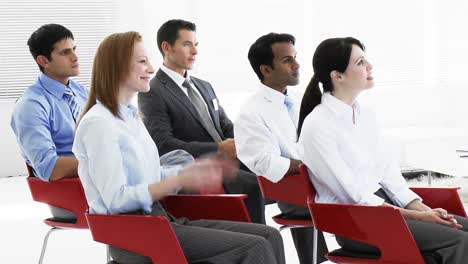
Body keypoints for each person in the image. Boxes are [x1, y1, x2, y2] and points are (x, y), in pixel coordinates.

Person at [72, 31, 285, 264]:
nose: (151, 69)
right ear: (117, 67)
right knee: (255, 246)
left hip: (160, 220)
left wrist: (186, 174)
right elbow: (116, 200)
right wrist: (172, 182)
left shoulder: (130, 119)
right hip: (135, 235)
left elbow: (146, 177)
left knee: (269, 235)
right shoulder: (99, 124)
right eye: (142, 62)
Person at [298, 37, 468, 263]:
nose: (369, 66)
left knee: (461, 228)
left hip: (387, 207)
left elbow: (390, 175)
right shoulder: (317, 126)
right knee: (459, 240)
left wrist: (424, 209)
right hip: (356, 222)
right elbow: (353, 195)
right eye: (360, 62)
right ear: (337, 76)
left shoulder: (366, 116)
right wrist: (419, 216)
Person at [138, 19, 266, 224]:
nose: (195, 51)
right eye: (187, 44)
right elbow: (163, 144)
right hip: (200, 166)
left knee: (285, 175)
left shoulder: (203, 85)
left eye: (196, 45)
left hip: (232, 157)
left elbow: (225, 125)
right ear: (166, 47)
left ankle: (311, 252)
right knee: (255, 184)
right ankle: (262, 244)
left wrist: (247, 140)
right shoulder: (153, 91)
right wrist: (217, 149)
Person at [235, 32, 328, 264]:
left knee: (378, 191)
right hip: (294, 190)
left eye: (295, 57)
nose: (297, 65)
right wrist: (313, 165)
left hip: (319, 183)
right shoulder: (251, 112)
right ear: (266, 70)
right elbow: (265, 162)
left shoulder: (299, 99)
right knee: (375, 202)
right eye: (287, 60)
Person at [10, 24, 88, 219]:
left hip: (101, 181)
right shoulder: (31, 105)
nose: (75, 57)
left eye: (74, 49)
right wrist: (99, 163)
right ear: (43, 60)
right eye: (65, 52)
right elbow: (49, 168)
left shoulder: (81, 92)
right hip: (72, 194)